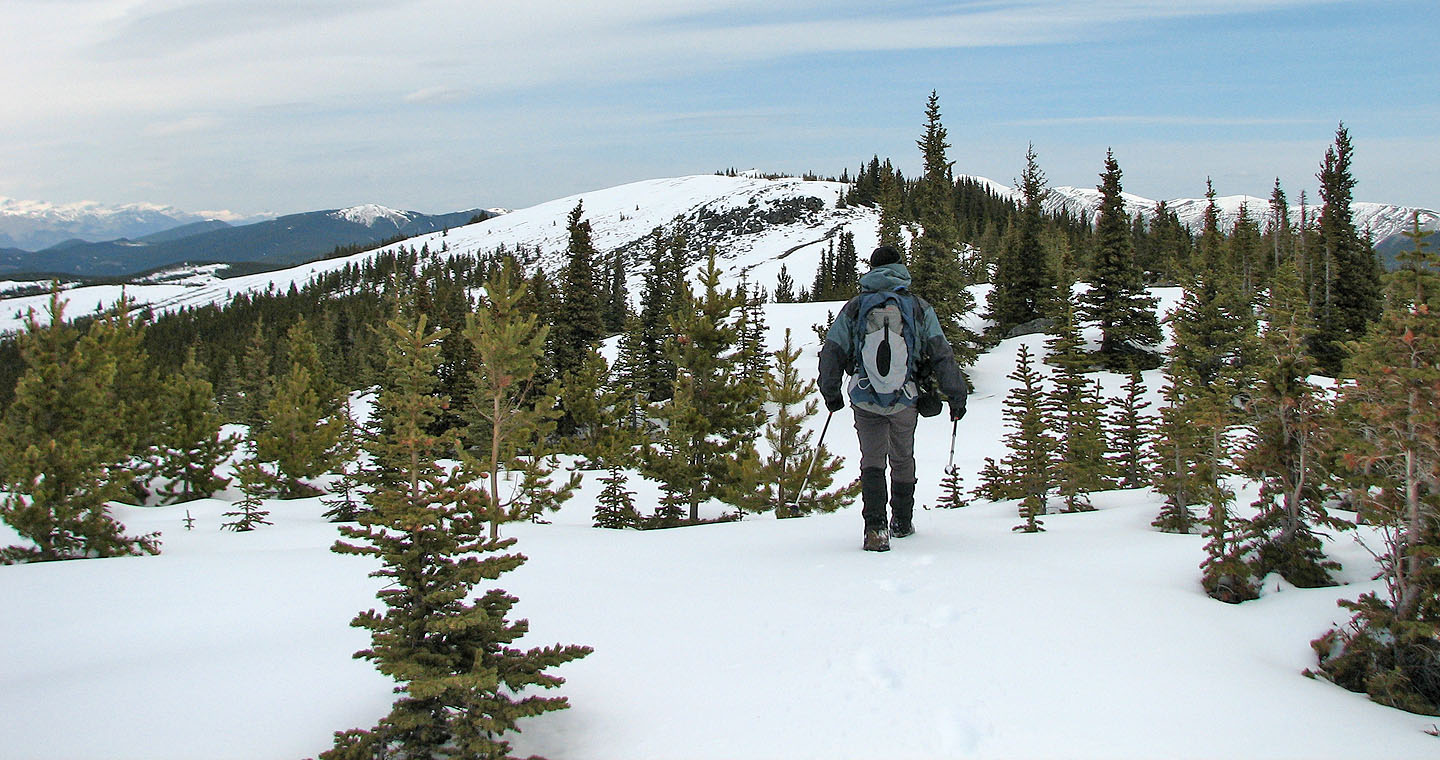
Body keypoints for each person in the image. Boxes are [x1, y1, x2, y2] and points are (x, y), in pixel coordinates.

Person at [818, 245, 967, 551]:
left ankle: (875, 529)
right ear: (900, 267)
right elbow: (941, 353)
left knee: (872, 460)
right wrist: (956, 395)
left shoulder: (856, 306)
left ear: (872, 269)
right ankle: (902, 521)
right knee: (902, 458)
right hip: (905, 397)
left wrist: (831, 392)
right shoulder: (917, 306)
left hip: (864, 397)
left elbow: (832, 349)